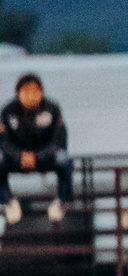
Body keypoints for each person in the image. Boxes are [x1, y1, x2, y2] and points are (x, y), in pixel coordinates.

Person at [2, 72, 74, 223]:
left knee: (65, 160)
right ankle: (6, 201)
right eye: (26, 92)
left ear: (41, 92)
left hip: (45, 158)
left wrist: (37, 157)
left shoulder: (52, 110)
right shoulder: (8, 111)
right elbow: (3, 142)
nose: (30, 96)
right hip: (16, 159)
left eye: (34, 91)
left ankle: (62, 201)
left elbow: (59, 141)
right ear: (18, 93)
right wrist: (19, 156)